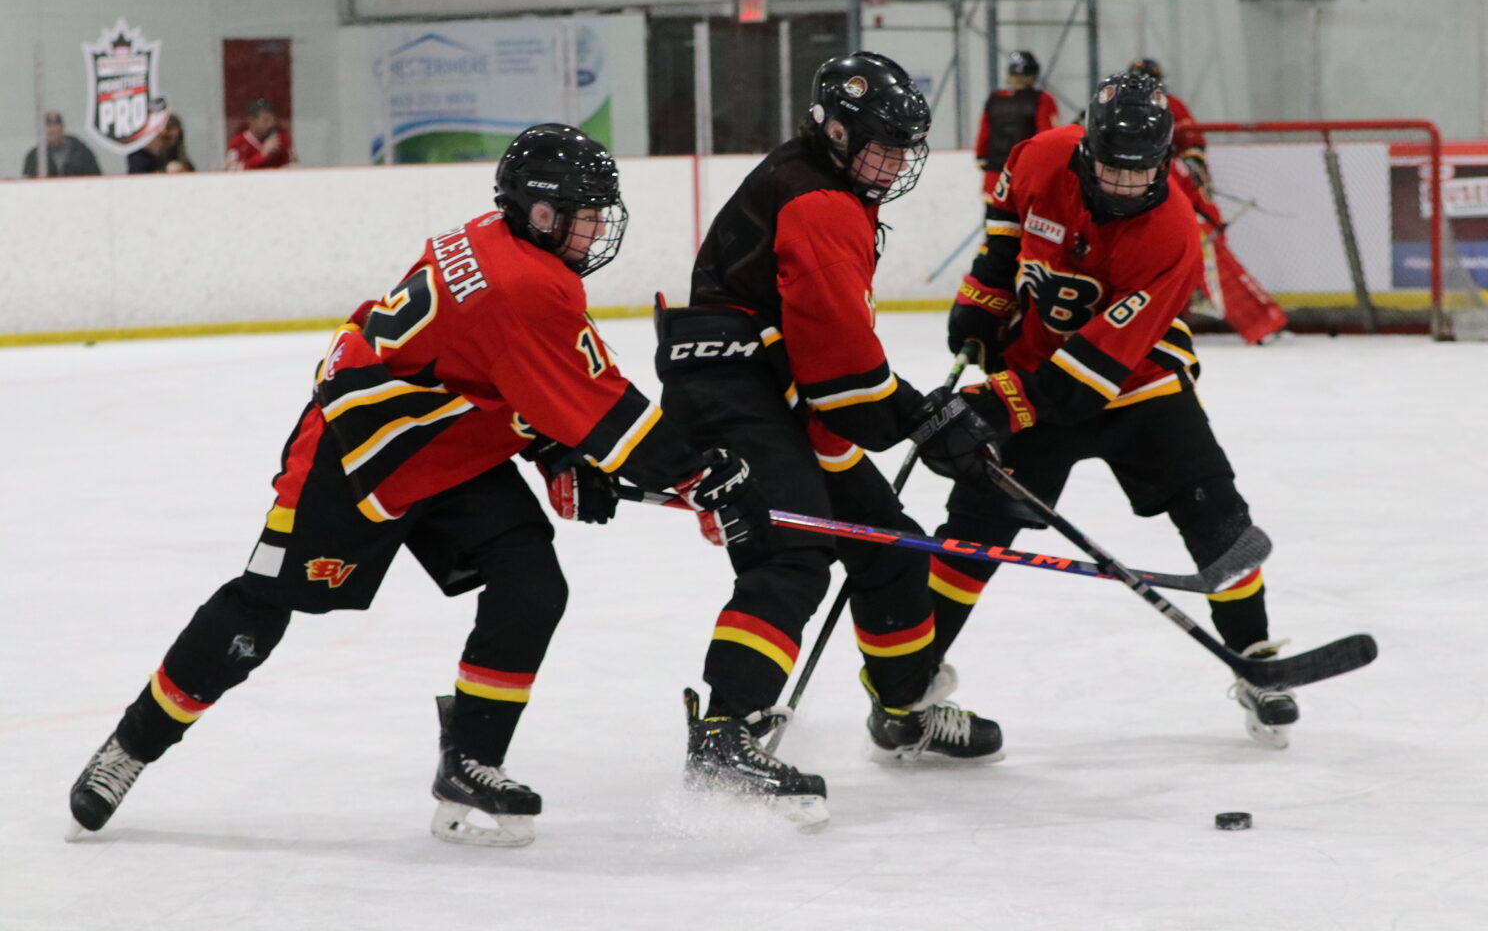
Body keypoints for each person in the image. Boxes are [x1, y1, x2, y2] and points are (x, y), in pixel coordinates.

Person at [67, 124, 768, 847]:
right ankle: (131, 746)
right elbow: (604, 413)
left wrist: (560, 457)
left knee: (532, 583)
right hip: (359, 449)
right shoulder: (522, 283)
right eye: (583, 215)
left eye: (598, 214)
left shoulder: (507, 249)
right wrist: (697, 473)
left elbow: (521, 379)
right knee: (261, 609)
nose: (595, 230)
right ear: (539, 214)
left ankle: (470, 759)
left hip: (451, 446)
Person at [656, 51, 1003, 827]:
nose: (892, 163)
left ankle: (903, 711)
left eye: (902, 149)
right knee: (794, 553)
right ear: (834, 128)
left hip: (770, 384)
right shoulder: (821, 204)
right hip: (731, 387)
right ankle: (725, 732)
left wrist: (910, 415)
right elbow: (842, 375)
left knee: (889, 547)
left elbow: (829, 363)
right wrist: (918, 418)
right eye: (878, 145)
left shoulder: (830, 185)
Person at [935, 71, 1299, 748]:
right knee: (971, 531)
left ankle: (1256, 661)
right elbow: (1005, 231)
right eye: (1113, 169)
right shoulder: (1039, 155)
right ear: (1085, 151)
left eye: (1145, 172)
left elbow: (1088, 377)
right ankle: (909, 688)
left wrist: (994, 404)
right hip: (1037, 364)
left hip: (1136, 383)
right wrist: (983, 303)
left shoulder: (1173, 237)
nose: (1129, 185)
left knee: (1215, 510)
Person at [974, 50, 1058, 204]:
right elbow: (1047, 137)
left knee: (995, 224)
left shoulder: (994, 99)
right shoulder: (1043, 100)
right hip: (1027, 174)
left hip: (995, 175)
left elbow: (984, 134)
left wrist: (980, 157)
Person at [1129, 58, 1209, 196]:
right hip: (1134, 174)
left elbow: (1195, 140)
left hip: (1172, 174)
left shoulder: (1172, 104)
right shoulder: (1122, 108)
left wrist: (1192, 163)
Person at [21, 110, 101, 177]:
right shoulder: (34, 157)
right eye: (48, 125)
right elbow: (28, 185)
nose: (52, 129)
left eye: (56, 124)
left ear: (62, 127)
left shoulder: (82, 153)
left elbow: (97, 180)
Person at [224, 98, 296, 170]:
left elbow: (295, 167)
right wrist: (262, 155)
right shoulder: (238, 143)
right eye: (266, 120)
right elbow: (231, 172)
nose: (271, 124)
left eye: (273, 119)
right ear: (251, 121)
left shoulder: (283, 140)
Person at [127, 107, 196, 174]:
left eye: (175, 138)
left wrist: (181, 169)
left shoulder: (173, 150)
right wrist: (165, 171)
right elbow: (138, 177)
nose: (172, 142)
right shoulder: (140, 153)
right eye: (166, 138)